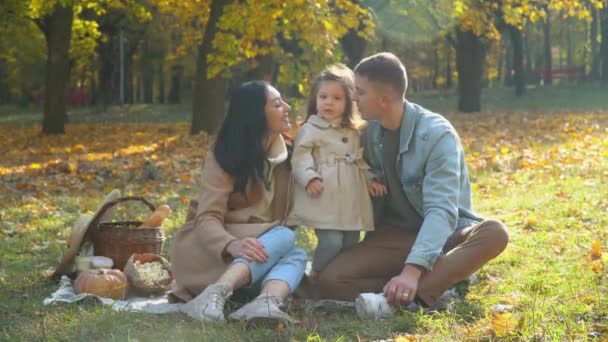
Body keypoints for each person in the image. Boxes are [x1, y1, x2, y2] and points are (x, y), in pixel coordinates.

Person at [317, 52, 509, 309]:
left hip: (445, 234)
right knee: (331, 280)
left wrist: (412, 269)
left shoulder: (437, 135)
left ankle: (415, 290)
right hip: (393, 237)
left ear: (384, 99)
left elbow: (441, 211)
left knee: (495, 232)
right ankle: (438, 283)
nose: (353, 98)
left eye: (360, 92)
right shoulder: (369, 133)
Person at [171, 81, 307, 322]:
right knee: (285, 236)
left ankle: (264, 304)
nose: (286, 107)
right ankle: (214, 294)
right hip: (211, 254)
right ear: (256, 115)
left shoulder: (289, 155)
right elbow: (207, 218)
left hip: (255, 259)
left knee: (297, 254)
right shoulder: (225, 152)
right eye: (277, 104)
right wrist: (231, 244)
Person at [286, 64, 382, 284]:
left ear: (349, 102)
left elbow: (359, 160)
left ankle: (336, 280)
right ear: (315, 99)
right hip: (325, 194)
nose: (328, 102)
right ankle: (316, 274)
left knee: (350, 242)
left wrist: (370, 180)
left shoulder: (353, 130)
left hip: (350, 195)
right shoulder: (310, 128)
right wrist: (309, 177)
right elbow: (300, 157)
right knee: (331, 241)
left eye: (337, 98)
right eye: (323, 96)